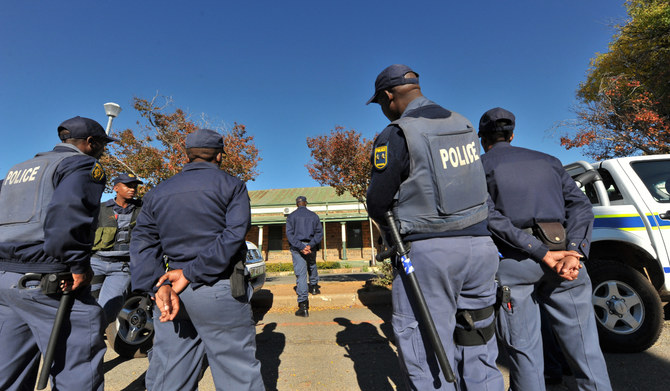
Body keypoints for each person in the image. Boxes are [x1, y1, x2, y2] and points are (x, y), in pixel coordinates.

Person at [366, 64, 504, 390]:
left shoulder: (399, 132)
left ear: (389, 96)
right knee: (479, 343)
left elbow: (377, 201)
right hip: (481, 249)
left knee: (427, 350)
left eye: (382, 104)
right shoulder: (465, 124)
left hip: (430, 255)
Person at [479, 107, 612, 391]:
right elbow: (580, 206)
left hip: (515, 263)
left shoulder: (480, 167)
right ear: (512, 134)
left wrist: (538, 251)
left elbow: (490, 217)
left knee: (525, 352)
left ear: (483, 139)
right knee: (586, 349)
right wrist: (575, 250)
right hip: (565, 258)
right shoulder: (549, 161)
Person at [130, 128, 264, 391]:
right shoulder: (232, 185)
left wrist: (158, 287)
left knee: (170, 371)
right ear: (220, 156)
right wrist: (190, 273)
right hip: (217, 287)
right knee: (236, 372)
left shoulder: (158, 192)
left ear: (188, 155)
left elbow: (143, 242)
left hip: (171, 293)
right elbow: (232, 236)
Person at [0, 116, 116, 390]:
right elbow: (68, 215)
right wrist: (77, 265)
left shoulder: (20, 168)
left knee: (9, 368)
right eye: (102, 145)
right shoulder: (82, 165)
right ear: (90, 143)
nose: (103, 151)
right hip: (47, 279)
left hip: (6, 277)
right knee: (79, 357)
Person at [91, 173, 143, 325]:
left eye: (135, 186)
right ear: (116, 188)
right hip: (95, 263)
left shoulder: (143, 210)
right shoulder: (100, 209)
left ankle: (94, 336)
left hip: (122, 267)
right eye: (128, 185)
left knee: (108, 310)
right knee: (86, 306)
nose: (132, 189)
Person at [285, 195, 323, 317]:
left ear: (297, 204)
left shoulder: (291, 216)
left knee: (301, 274)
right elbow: (319, 233)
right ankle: (314, 287)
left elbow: (289, 235)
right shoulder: (314, 216)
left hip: (297, 247)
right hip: (311, 246)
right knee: (312, 265)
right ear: (305, 203)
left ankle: (303, 306)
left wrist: (301, 247)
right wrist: (310, 245)